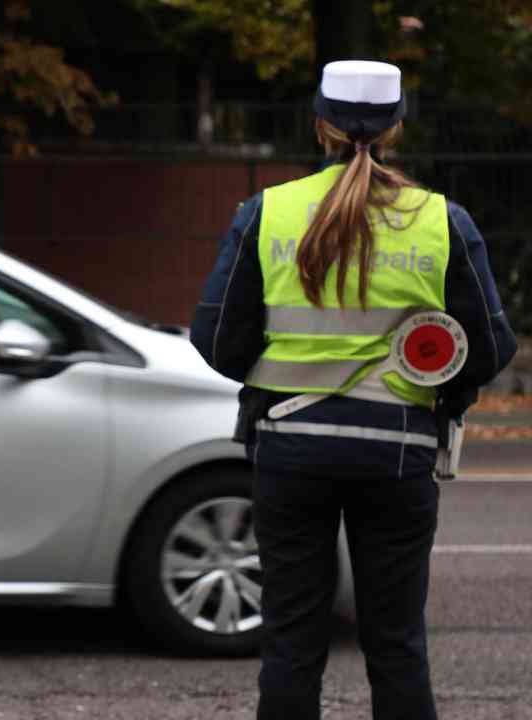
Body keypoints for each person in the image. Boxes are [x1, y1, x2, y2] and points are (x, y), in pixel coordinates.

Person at [191, 60, 516, 720]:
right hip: (396, 454)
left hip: (289, 451)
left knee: (290, 647)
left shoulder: (268, 213)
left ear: (319, 126)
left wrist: (283, 370)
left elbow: (217, 337)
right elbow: (490, 348)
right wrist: (432, 384)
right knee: (397, 647)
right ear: (396, 129)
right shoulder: (441, 221)